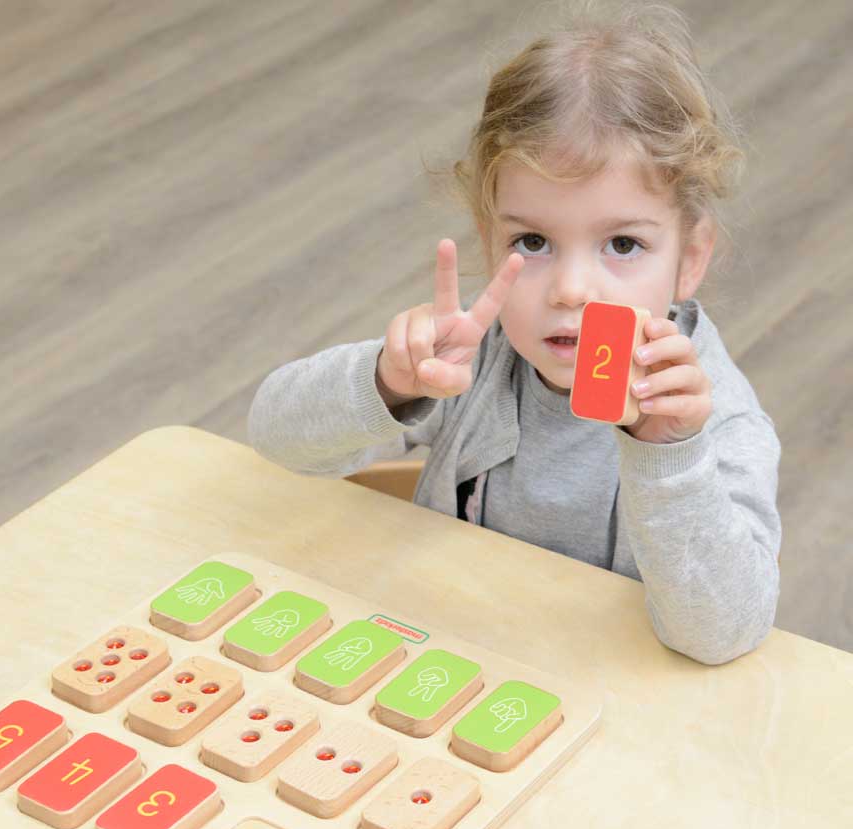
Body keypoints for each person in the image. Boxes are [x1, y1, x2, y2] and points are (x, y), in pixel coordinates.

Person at [247, 0, 781, 665]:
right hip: (447, 663)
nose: (571, 290)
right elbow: (274, 438)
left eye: (621, 243)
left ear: (689, 259)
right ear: (489, 243)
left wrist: (669, 455)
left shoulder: (714, 421)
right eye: (533, 241)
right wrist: (386, 381)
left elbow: (723, 634)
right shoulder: (471, 358)